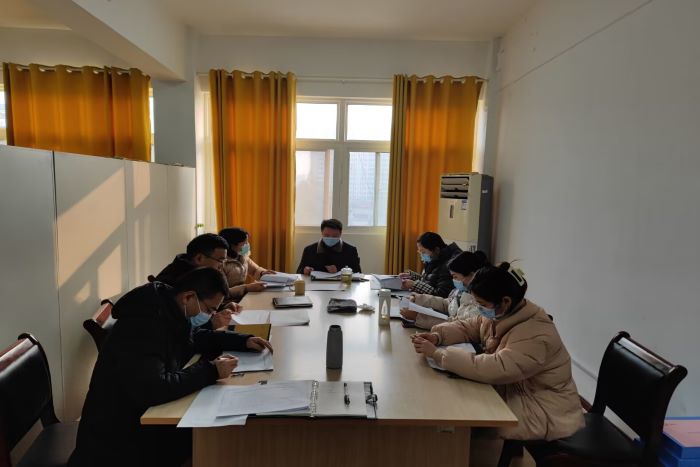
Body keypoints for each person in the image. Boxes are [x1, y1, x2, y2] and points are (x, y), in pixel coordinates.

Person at [69, 268, 273, 467]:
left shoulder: (167, 307)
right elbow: (154, 388)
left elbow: (194, 338)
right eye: (210, 310)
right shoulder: (144, 325)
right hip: (118, 439)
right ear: (188, 297)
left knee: (214, 433)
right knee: (212, 438)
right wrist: (211, 370)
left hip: (136, 418)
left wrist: (242, 341)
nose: (211, 315)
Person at [411, 263, 584, 441]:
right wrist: (438, 336)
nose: (480, 309)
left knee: (463, 410)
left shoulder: (537, 334)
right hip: (516, 388)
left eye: (482, 304)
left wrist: (438, 354)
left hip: (543, 408)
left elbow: (497, 368)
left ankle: (457, 449)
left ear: (506, 301)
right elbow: (471, 326)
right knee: (455, 397)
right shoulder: (503, 313)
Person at [155, 233, 240, 329]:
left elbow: (202, 300)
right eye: (220, 261)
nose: (222, 266)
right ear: (199, 258)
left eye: (224, 262)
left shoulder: (195, 272)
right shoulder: (172, 282)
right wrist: (210, 325)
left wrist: (221, 307)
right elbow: (173, 329)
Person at [400, 250, 489, 329]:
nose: (454, 280)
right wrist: (418, 298)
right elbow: (446, 304)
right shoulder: (462, 291)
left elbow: (456, 325)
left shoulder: (480, 302)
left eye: (455, 277)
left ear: (472, 275)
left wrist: (418, 317)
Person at [219, 227, 275, 300]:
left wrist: (262, 273)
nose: (247, 244)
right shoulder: (220, 263)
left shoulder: (243, 256)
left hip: (242, 297)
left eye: (247, 242)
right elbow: (221, 293)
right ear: (232, 245)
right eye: (245, 242)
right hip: (227, 301)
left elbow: (255, 270)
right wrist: (246, 288)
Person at [400, 232, 461, 297]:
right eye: (419, 252)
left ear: (436, 250)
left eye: (423, 252)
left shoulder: (449, 265)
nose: (421, 255)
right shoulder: (434, 259)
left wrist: (414, 285)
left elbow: (441, 294)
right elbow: (430, 280)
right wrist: (412, 277)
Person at [296, 218, 361, 275]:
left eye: (335, 236)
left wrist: (340, 271)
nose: (330, 238)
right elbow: (298, 272)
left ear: (340, 233)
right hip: (315, 284)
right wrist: (304, 270)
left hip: (341, 284)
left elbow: (358, 273)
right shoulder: (309, 250)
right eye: (327, 235)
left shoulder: (350, 250)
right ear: (322, 233)